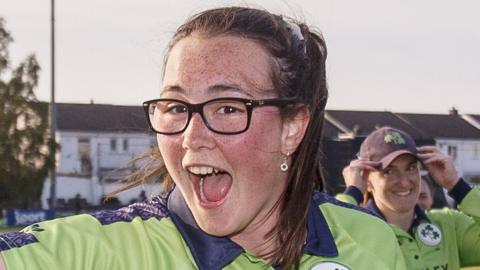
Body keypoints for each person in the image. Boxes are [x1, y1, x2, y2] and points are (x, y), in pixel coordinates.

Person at [0, 7, 406, 270]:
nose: (193, 137)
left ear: (292, 127)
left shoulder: (370, 241)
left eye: (227, 108)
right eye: (176, 107)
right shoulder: (105, 252)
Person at [338, 126, 480, 270]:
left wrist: (456, 185)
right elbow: (326, 237)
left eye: (411, 168)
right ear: (367, 180)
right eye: (389, 171)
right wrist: (352, 193)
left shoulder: (449, 226)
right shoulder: (354, 234)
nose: (404, 182)